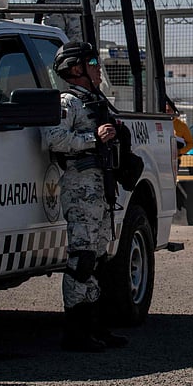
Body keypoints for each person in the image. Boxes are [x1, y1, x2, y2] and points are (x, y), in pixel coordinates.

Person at [41, 41, 129, 352]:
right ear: (76, 69)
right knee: (82, 258)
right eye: (92, 61)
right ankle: (75, 329)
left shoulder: (95, 100)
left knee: (98, 256)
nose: (98, 67)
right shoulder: (69, 102)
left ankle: (94, 325)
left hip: (100, 188)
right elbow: (53, 138)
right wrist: (94, 138)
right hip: (80, 187)